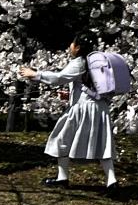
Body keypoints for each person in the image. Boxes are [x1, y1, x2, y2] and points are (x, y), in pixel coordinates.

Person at [22, 31, 128, 195]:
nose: (69, 46)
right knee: (103, 144)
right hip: (100, 109)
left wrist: (36, 75)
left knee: (61, 139)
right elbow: (89, 85)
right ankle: (111, 182)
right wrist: (70, 94)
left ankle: (62, 178)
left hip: (82, 109)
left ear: (77, 47)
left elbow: (59, 77)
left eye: (72, 43)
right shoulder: (96, 62)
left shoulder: (80, 62)